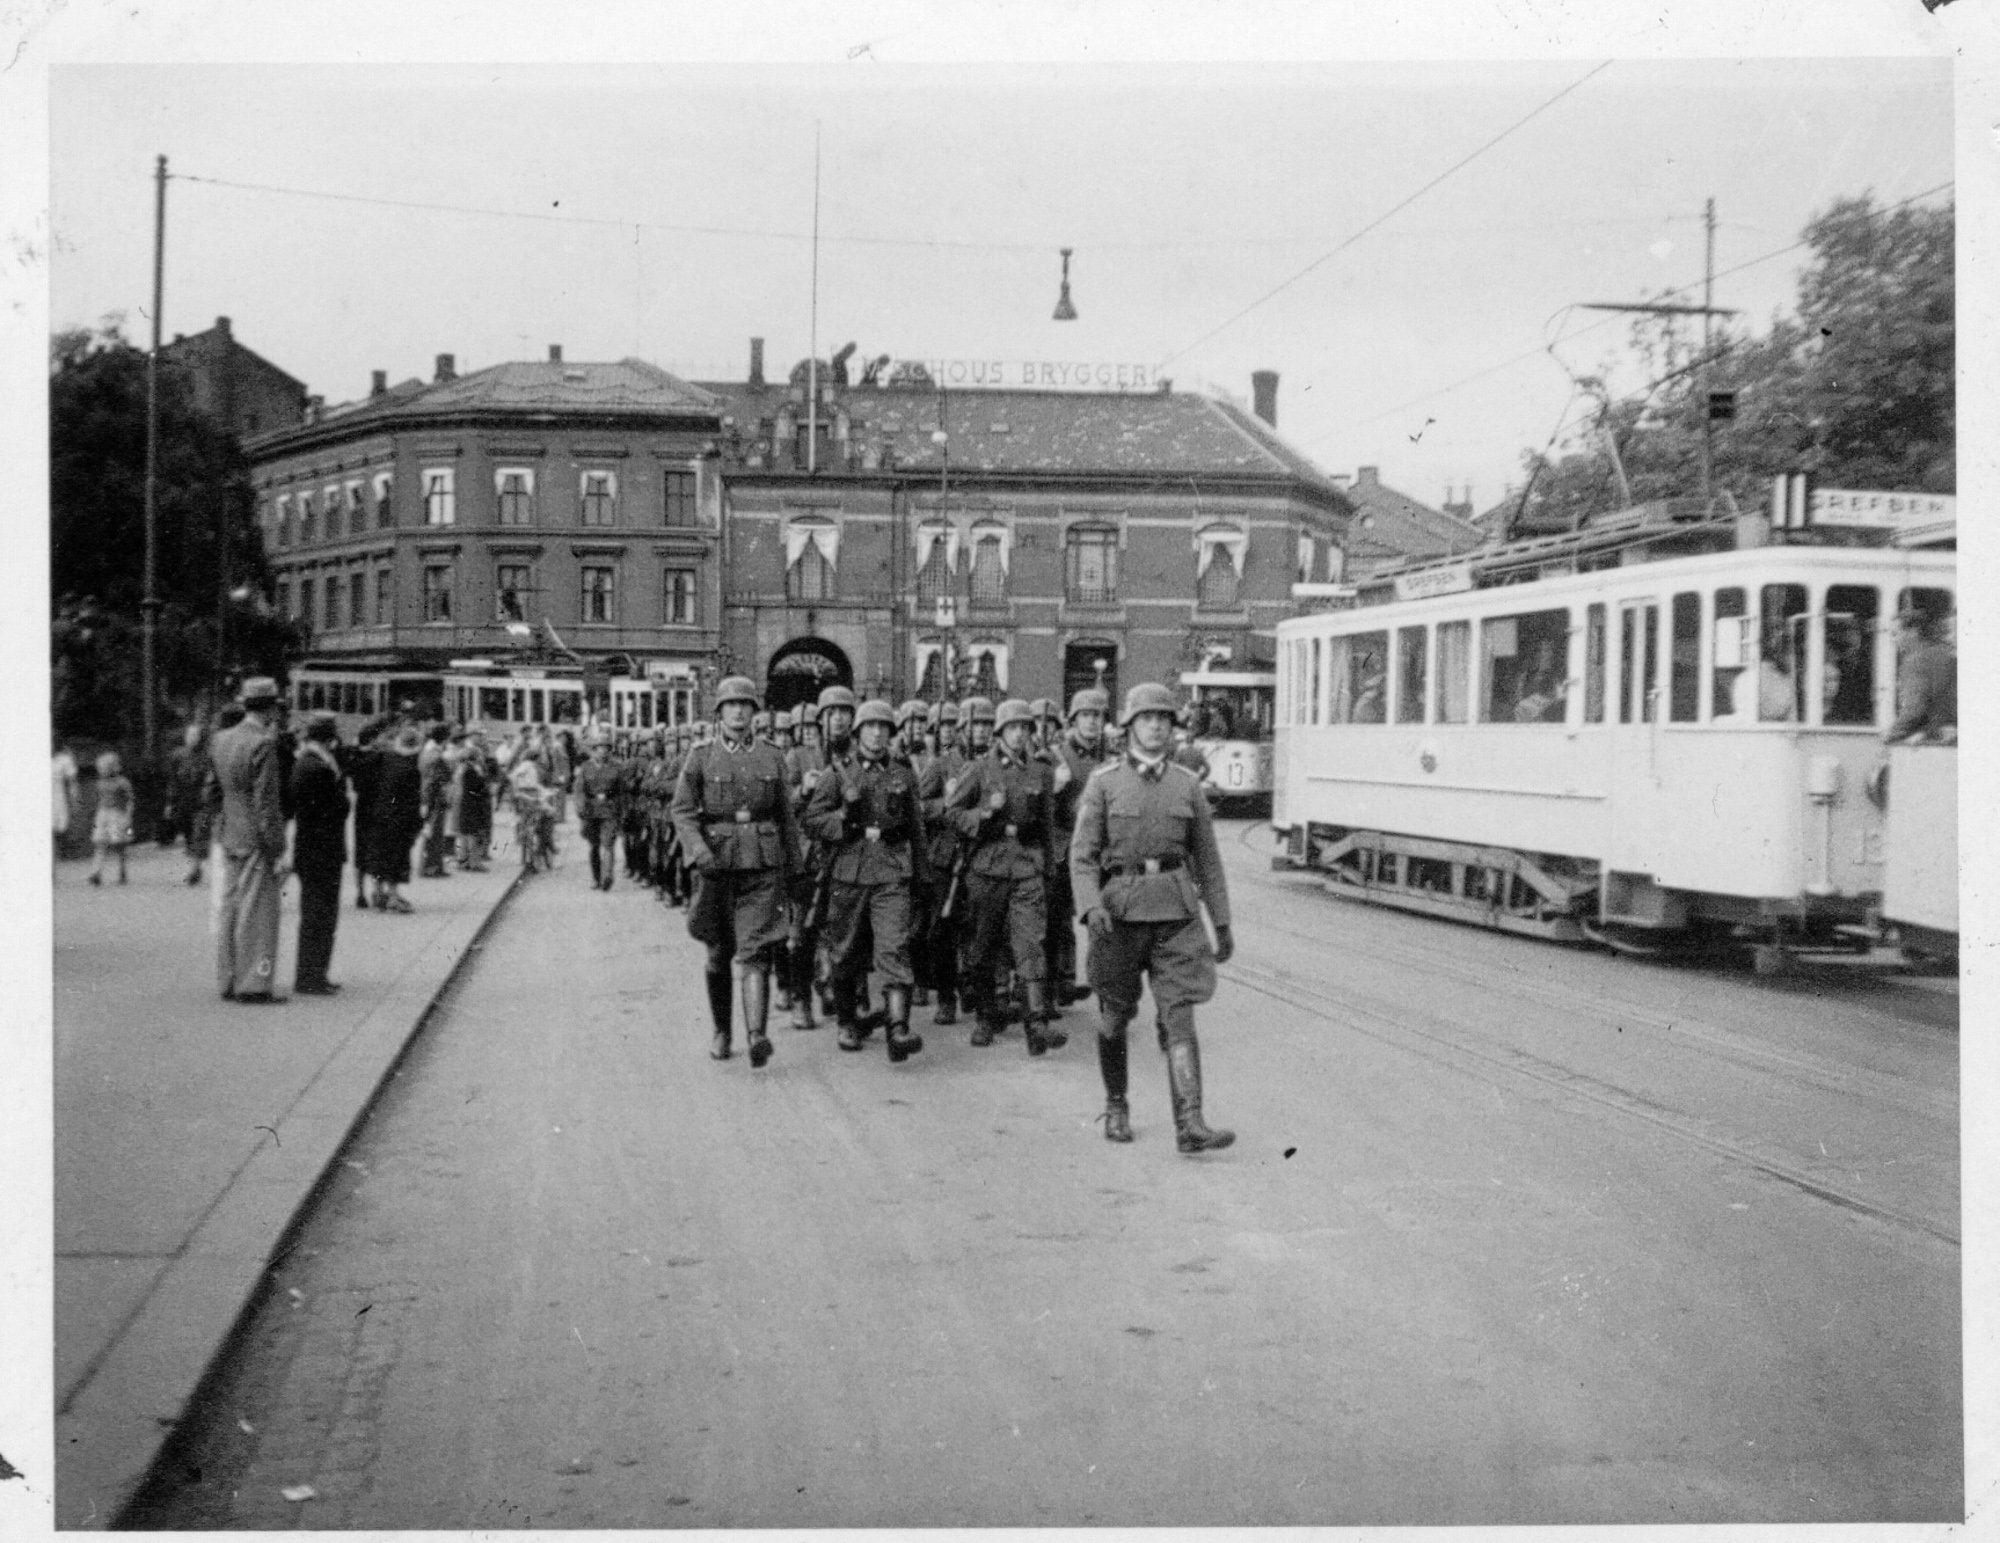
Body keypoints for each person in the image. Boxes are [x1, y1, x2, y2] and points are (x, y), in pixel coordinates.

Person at [1071, 681, 1236, 1152]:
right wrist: (1090, 905)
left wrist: (1220, 921)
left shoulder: (1186, 785)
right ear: (1128, 727)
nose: (1157, 726)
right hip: (1119, 916)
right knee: (1113, 1016)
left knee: (1179, 1014)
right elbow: (1082, 855)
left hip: (1176, 914)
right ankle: (1117, 1104)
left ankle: (1191, 1122)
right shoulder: (1103, 783)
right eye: (1147, 718)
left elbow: (1207, 859)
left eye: (1164, 719)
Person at [671, 676, 802, 1067]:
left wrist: (795, 870)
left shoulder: (772, 756)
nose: (739, 711)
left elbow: (786, 818)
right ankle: (722, 1030)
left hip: (762, 866)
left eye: (746, 705)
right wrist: (697, 851)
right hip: (716, 869)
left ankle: (757, 1035)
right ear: (720, 713)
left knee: (756, 950)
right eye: (731, 705)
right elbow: (681, 810)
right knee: (718, 953)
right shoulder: (700, 756)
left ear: (754, 712)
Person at [802, 698, 932, 1060]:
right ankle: (847, 1020)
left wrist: (922, 875)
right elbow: (811, 819)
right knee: (847, 951)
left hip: (892, 870)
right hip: (850, 871)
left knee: (894, 946)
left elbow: (916, 829)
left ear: (892, 733)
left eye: (884, 727)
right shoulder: (838, 773)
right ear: (858, 733)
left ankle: (898, 1028)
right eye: (870, 727)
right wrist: (841, 819)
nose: (877, 733)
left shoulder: (902, 773)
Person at [945, 696, 1064, 1053]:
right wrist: (982, 814)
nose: (1018, 734)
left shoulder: (1040, 771)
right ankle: (985, 1016)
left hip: (1026, 867)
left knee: (1030, 944)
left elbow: (1046, 823)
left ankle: (1036, 1025)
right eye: (1012, 728)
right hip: (988, 868)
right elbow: (952, 813)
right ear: (1000, 732)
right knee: (983, 947)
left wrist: (1048, 867)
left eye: (1024, 728)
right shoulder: (979, 769)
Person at [212, 677, 288, 1002]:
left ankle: (227, 979)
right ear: (270, 707)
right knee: (258, 911)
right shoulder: (263, 743)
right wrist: (277, 846)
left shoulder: (221, 739)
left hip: (229, 829)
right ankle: (254, 983)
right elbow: (266, 802)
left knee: (229, 906)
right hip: (256, 835)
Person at [1047, 686, 1112, 1003]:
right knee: (1056, 921)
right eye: (1086, 715)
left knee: (1101, 922)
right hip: (1064, 848)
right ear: (1073, 720)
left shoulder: (1111, 760)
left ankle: (1101, 986)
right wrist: (1055, 787)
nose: (1092, 722)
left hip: (1100, 851)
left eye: (1097, 716)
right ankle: (1057, 983)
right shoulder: (1057, 756)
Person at [288, 712, 350, 995]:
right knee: (320, 915)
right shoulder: (318, 768)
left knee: (318, 914)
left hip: (314, 851)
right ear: (328, 739)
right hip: (321, 852)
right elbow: (339, 808)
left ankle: (314, 974)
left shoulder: (308, 763)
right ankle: (311, 977)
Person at [368, 723, 425, 911]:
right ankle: (393, 896)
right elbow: (413, 800)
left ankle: (377, 893)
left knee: (379, 854)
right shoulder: (411, 768)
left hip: (380, 814)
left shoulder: (386, 758)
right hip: (400, 819)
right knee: (397, 856)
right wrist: (417, 824)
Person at [1889, 595, 1956, 743]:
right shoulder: (1946, 654)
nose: (1892, 640)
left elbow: (1914, 709)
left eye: (1895, 634)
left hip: (1929, 740)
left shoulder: (1914, 662)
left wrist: (1892, 733)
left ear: (1912, 632)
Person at [575, 730, 623, 891]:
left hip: (609, 810)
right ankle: (596, 878)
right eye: (599, 748)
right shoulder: (586, 767)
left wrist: (619, 808)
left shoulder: (616, 767)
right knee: (594, 846)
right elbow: (579, 790)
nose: (603, 751)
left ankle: (607, 876)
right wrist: (581, 807)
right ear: (594, 750)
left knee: (608, 843)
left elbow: (622, 791)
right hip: (591, 811)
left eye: (606, 748)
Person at [345, 723, 384, 910]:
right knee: (377, 849)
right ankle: (377, 891)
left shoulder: (354, 757)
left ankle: (360, 893)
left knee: (361, 850)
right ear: (372, 739)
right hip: (377, 805)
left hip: (361, 806)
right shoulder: (378, 758)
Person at [88, 751, 135, 886]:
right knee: (100, 843)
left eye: (103, 767)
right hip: (103, 814)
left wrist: (128, 816)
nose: (101, 770)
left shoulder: (122, 783)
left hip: (118, 814)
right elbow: (99, 800)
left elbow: (130, 800)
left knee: (119, 845)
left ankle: (122, 871)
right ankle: (95, 872)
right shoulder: (100, 783)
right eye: (100, 768)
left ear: (112, 767)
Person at [454, 730, 494, 870]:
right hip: (473, 804)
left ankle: (462, 860)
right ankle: (474, 862)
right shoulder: (470, 771)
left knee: (465, 833)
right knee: (473, 834)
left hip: (466, 803)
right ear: (474, 757)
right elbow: (477, 788)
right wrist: (483, 781)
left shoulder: (463, 769)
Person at [53, 736, 80, 861]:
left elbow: (72, 781)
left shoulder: (64, 759)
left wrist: (75, 798)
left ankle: (63, 853)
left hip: (58, 795)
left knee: (61, 824)